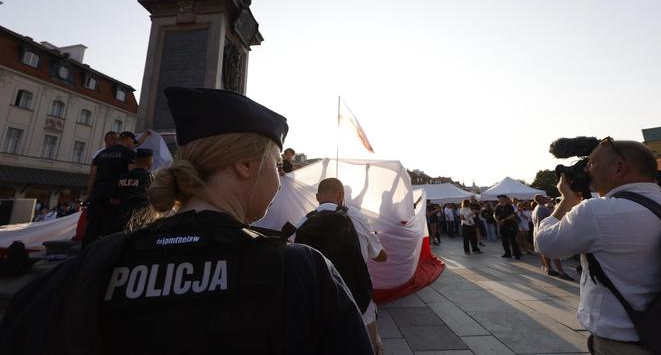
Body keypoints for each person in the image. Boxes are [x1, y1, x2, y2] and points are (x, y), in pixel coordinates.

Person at [0, 87, 373, 355]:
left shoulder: (96, 262)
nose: (279, 178)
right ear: (244, 165)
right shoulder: (302, 270)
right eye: (275, 166)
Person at [536, 138, 661, 355]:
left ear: (619, 167)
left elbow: (545, 244)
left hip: (621, 343)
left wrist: (567, 199)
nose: (586, 169)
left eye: (592, 163)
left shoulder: (596, 211)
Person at [294, 177, 386, 354]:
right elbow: (380, 256)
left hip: (320, 309)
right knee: (369, 346)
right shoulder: (355, 217)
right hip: (360, 302)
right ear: (341, 195)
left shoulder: (302, 223)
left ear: (317, 197)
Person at [83, 131, 137, 247]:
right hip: (115, 195)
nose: (133, 145)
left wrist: (88, 193)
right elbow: (132, 174)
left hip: (97, 194)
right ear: (127, 140)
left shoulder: (101, 154)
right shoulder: (128, 153)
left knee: (93, 226)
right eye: (133, 142)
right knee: (111, 227)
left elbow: (92, 175)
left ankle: (85, 254)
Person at [110, 148, 154, 233]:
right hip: (139, 221)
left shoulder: (123, 176)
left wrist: (125, 201)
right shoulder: (149, 178)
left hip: (120, 220)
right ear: (148, 161)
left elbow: (113, 200)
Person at [532, 195, 573, 280]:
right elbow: (556, 215)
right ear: (541, 200)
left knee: (545, 252)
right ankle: (561, 271)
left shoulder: (536, 208)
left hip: (538, 232)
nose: (547, 198)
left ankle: (549, 268)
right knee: (554, 252)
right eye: (544, 198)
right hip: (546, 231)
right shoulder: (543, 208)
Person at [494, 194, 521, 259]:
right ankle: (507, 253)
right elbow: (495, 214)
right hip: (502, 226)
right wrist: (497, 220)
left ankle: (516, 254)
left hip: (510, 225)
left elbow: (513, 215)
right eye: (498, 199)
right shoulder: (498, 207)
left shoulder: (510, 206)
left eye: (500, 198)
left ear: (504, 199)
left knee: (512, 240)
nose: (499, 200)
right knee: (504, 240)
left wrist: (504, 219)